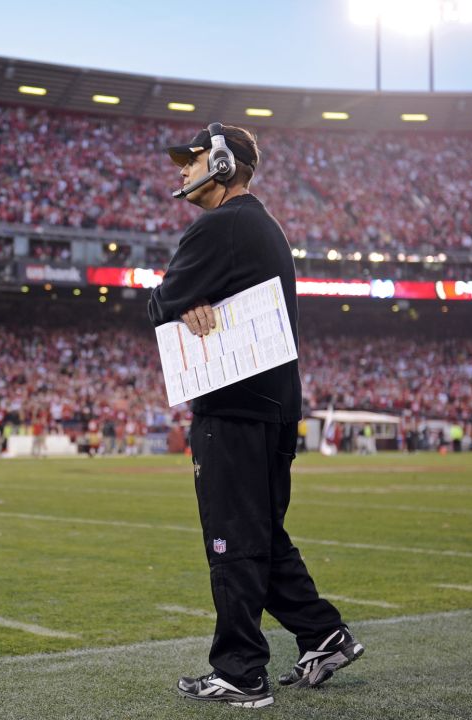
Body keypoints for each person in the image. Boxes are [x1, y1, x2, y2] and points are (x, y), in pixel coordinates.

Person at [148, 123, 363, 708]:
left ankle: (241, 670)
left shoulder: (220, 223)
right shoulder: (262, 223)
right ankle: (323, 634)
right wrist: (195, 298)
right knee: (263, 536)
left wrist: (184, 299)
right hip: (272, 406)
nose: (182, 172)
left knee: (233, 541)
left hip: (234, 407)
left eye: (191, 161)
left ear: (222, 162)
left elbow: (160, 302)